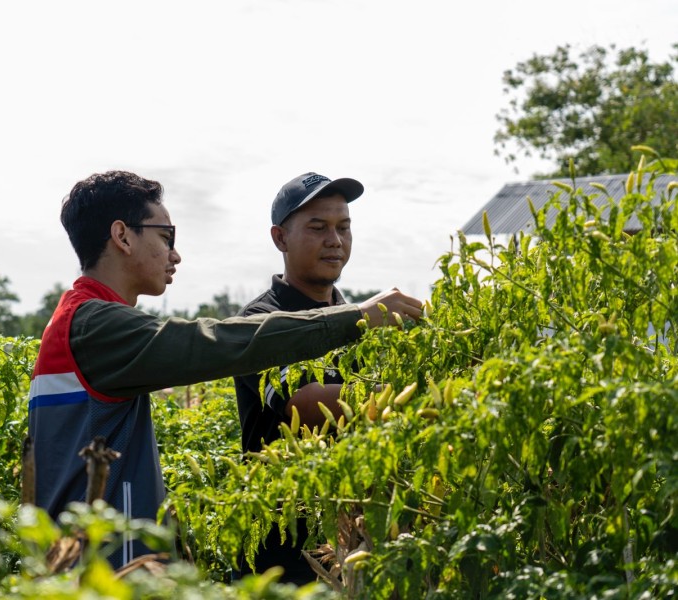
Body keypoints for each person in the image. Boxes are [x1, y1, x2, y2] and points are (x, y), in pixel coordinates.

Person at [26, 170, 421, 570]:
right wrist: (355, 318)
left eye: (343, 227)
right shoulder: (94, 326)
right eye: (167, 237)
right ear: (123, 236)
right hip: (99, 571)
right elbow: (212, 342)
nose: (175, 255)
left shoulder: (82, 320)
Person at [232, 171, 424, 583]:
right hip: (285, 558)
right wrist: (422, 394)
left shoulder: (363, 320)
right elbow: (308, 404)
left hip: (357, 547)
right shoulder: (259, 322)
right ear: (280, 238)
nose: (335, 241)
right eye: (318, 228)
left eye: (344, 227)